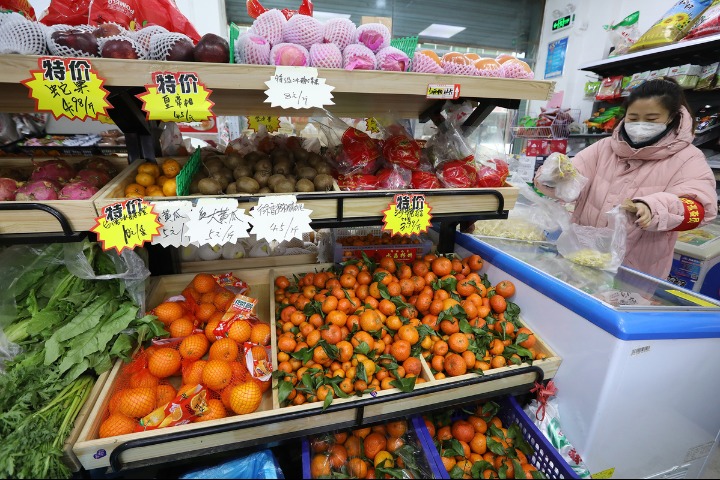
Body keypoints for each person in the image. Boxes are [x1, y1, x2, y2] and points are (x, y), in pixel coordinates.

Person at [535, 78, 718, 279]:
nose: (640, 125)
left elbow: (700, 209)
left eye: (651, 119)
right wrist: (554, 176)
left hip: (634, 271)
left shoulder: (687, 158)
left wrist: (653, 208)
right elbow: (570, 178)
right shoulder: (603, 148)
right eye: (633, 118)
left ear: (672, 117)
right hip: (581, 257)